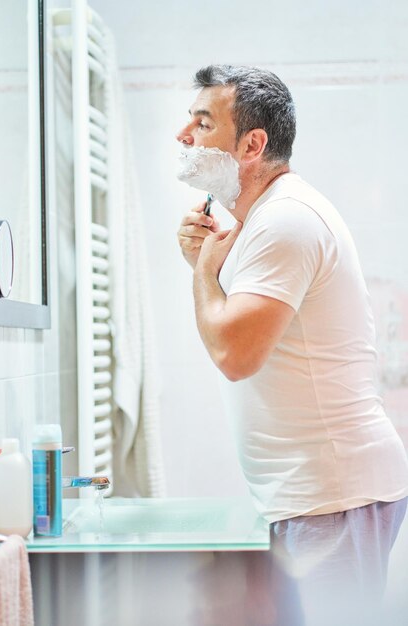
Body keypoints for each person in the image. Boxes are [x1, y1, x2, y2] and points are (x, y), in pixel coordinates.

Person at [176, 64, 408, 625]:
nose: (183, 136)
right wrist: (207, 266)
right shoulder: (264, 218)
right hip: (319, 497)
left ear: (252, 144)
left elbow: (235, 355)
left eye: (203, 123)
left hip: (332, 497)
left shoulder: (286, 220)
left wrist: (203, 275)